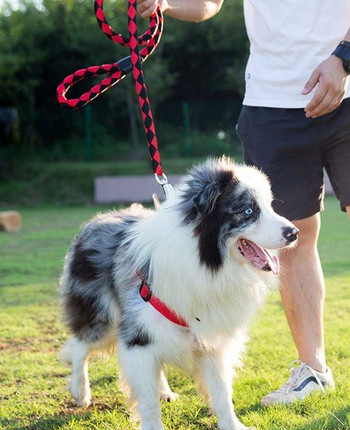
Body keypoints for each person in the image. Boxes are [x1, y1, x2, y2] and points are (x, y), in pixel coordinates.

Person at [137, 0, 350, 405]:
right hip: (271, 107)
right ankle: (314, 371)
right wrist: (166, 3)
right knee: (291, 240)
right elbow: (207, 3)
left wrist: (344, 58)